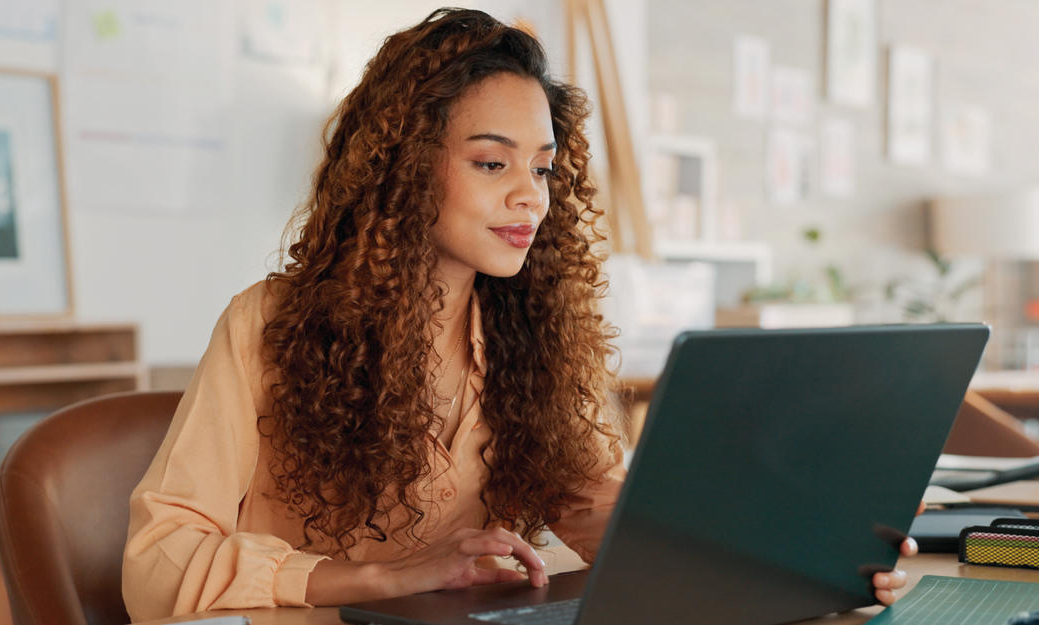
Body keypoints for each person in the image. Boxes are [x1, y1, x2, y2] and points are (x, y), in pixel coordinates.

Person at [122, 8, 914, 621]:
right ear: (402, 169)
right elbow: (157, 560)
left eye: (541, 167)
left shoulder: (531, 333)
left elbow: (602, 510)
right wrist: (381, 575)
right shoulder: (270, 322)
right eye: (491, 162)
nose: (529, 195)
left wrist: (787, 551)